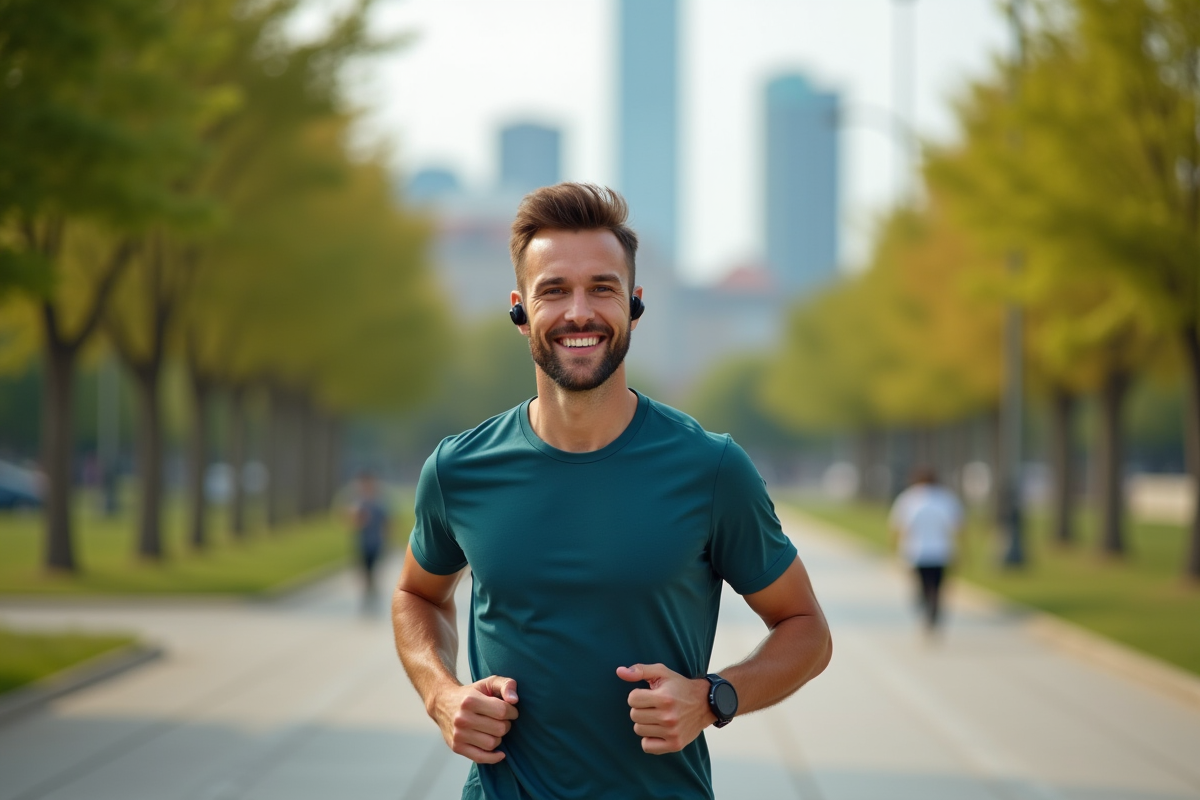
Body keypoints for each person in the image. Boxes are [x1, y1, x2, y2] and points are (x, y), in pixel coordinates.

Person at [392, 183, 831, 800]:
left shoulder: (711, 468)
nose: (579, 313)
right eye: (554, 291)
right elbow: (416, 595)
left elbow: (807, 629)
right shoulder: (458, 468)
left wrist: (713, 698)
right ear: (520, 310)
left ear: (635, 304)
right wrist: (441, 695)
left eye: (602, 288)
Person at [888, 466, 965, 635]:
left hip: (917, 551)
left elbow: (899, 527)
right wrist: (962, 550)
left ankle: (927, 609)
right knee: (937, 586)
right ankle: (933, 611)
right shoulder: (945, 499)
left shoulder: (908, 498)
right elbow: (957, 526)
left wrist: (896, 550)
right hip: (940, 552)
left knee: (922, 585)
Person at [349, 469, 390, 611]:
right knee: (365, 571)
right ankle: (368, 592)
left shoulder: (380, 501)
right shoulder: (358, 502)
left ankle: (372, 593)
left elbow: (387, 522)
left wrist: (388, 540)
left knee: (373, 570)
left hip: (377, 543)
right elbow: (352, 522)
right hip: (362, 543)